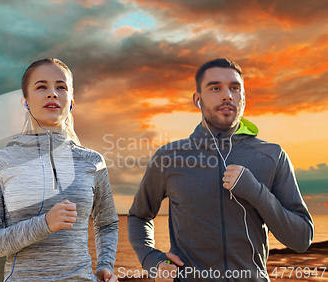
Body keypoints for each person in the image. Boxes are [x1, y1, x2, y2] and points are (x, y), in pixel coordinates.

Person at [128, 58, 313, 281]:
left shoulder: (272, 156)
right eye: (215, 88)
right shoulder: (169, 157)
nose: (227, 95)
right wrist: (151, 259)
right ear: (198, 99)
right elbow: (139, 216)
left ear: (243, 98)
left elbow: (302, 239)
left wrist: (256, 192)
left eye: (235, 88)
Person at [0, 58, 119, 282]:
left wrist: (105, 265)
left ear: (71, 101)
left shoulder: (93, 161)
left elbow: (107, 223)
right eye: (41, 87)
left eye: (61, 87)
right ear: (25, 102)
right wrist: (44, 224)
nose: (52, 93)